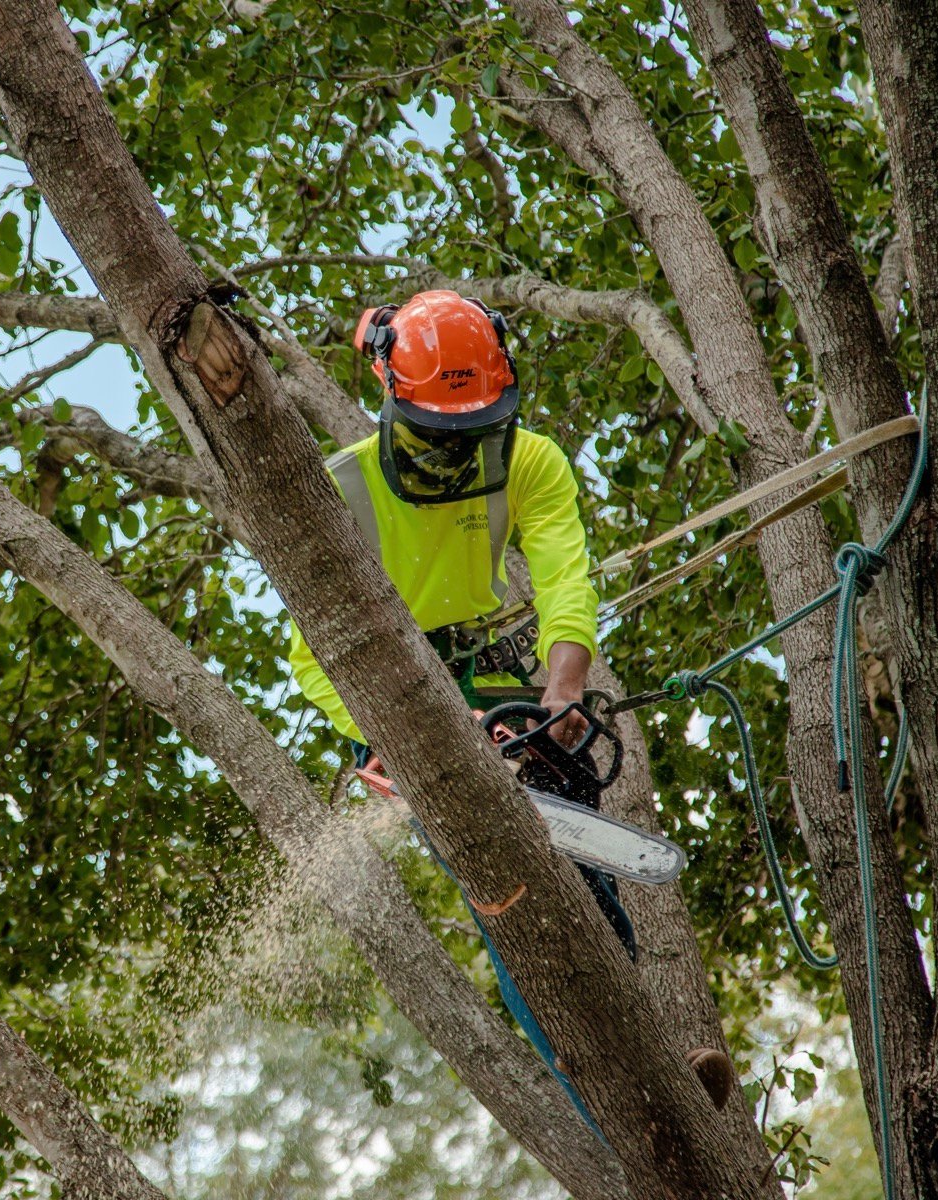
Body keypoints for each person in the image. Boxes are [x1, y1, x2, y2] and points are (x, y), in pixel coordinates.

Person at [286, 290, 736, 1116]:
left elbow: (567, 578)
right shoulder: (336, 491)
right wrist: (398, 730)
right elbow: (308, 661)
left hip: (485, 668)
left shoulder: (532, 460)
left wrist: (564, 687)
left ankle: (648, 1052)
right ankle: (596, 1088)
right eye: (443, 434)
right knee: (509, 885)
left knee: (570, 833)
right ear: (392, 399)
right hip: (386, 693)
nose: (461, 453)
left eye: (475, 431)